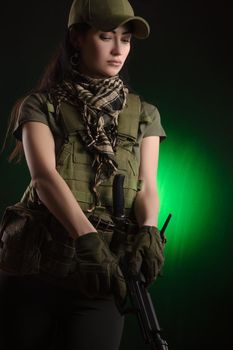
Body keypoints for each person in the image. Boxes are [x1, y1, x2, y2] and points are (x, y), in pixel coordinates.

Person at [0, 0, 166, 349]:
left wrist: (149, 230)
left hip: (101, 277)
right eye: (106, 36)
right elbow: (44, 177)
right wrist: (86, 238)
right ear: (76, 39)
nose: (119, 49)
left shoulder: (144, 113)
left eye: (126, 38)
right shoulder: (41, 105)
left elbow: (147, 185)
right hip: (36, 272)